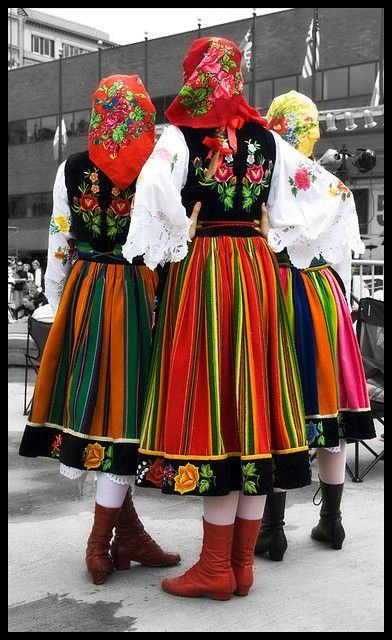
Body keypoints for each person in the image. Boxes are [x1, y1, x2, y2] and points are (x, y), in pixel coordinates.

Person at [123, 37, 315, 601]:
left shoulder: (180, 136)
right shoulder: (268, 138)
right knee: (252, 405)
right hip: (256, 271)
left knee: (216, 410)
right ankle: (240, 565)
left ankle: (215, 567)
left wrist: (177, 231)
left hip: (206, 268)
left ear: (197, 75)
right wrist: (273, 231)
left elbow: (152, 194)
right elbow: (323, 198)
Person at [18, 74, 181, 585]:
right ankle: (101, 540)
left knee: (101, 407)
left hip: (88, 290)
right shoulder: (152, 166)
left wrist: (57, 299)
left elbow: (60, 241)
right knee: (126, 409)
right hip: (135, 292)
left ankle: (123, 533)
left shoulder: (71, 169)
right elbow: (170, 233)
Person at [254, 90, 376, 561]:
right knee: (329, 411)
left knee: (278, 408)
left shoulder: (261, 180)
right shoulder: (331, 186)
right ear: (310, 132)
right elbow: (342, 259)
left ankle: (272, 529)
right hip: (324, 296)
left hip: (277, 293)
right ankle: (332, 522)